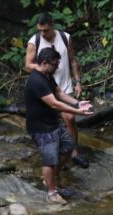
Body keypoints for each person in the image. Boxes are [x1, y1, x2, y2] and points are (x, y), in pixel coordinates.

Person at [24, 47, 93, 205]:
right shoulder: (36, 80)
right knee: (49, 159)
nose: (57, 67)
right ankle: (51, 193)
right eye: (54, 64)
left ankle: (53, 176)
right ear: (44, 63)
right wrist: (77, 111)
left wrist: (77, 103)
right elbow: (54, 104)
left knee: (68, 146)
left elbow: (59, 94)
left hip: (52, 124)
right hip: (41, 128)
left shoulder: (47, 75)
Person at [24, 12, 89, 169]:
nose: (42, 33)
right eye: (40, 30)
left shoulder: (65, 37)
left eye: (45, 30)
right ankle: (52, 154)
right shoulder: (34, 41)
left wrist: (78, 81)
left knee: (70, 119)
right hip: (45, 85)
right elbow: (27, 65)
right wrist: (45, 67)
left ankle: (73, 152)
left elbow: (73, 60)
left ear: (52, 25)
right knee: (50, 118)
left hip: (64, 84)